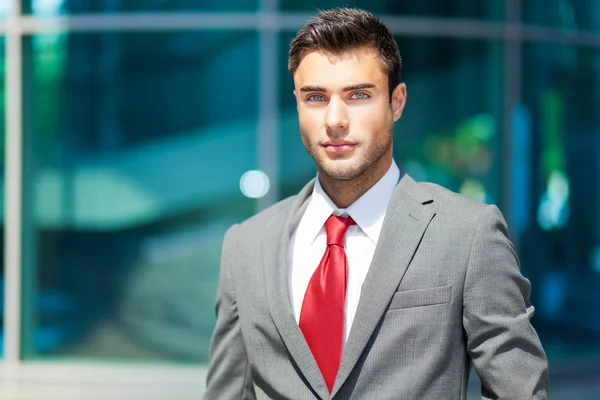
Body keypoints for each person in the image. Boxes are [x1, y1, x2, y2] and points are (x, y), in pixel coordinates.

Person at [205, 7, 548, 400]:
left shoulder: (467, 233)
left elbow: (519, 391)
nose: (335, 119)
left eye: (359, 95)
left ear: (396, 102)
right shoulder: (246, 245)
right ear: (297, 104)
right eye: (316, 97)